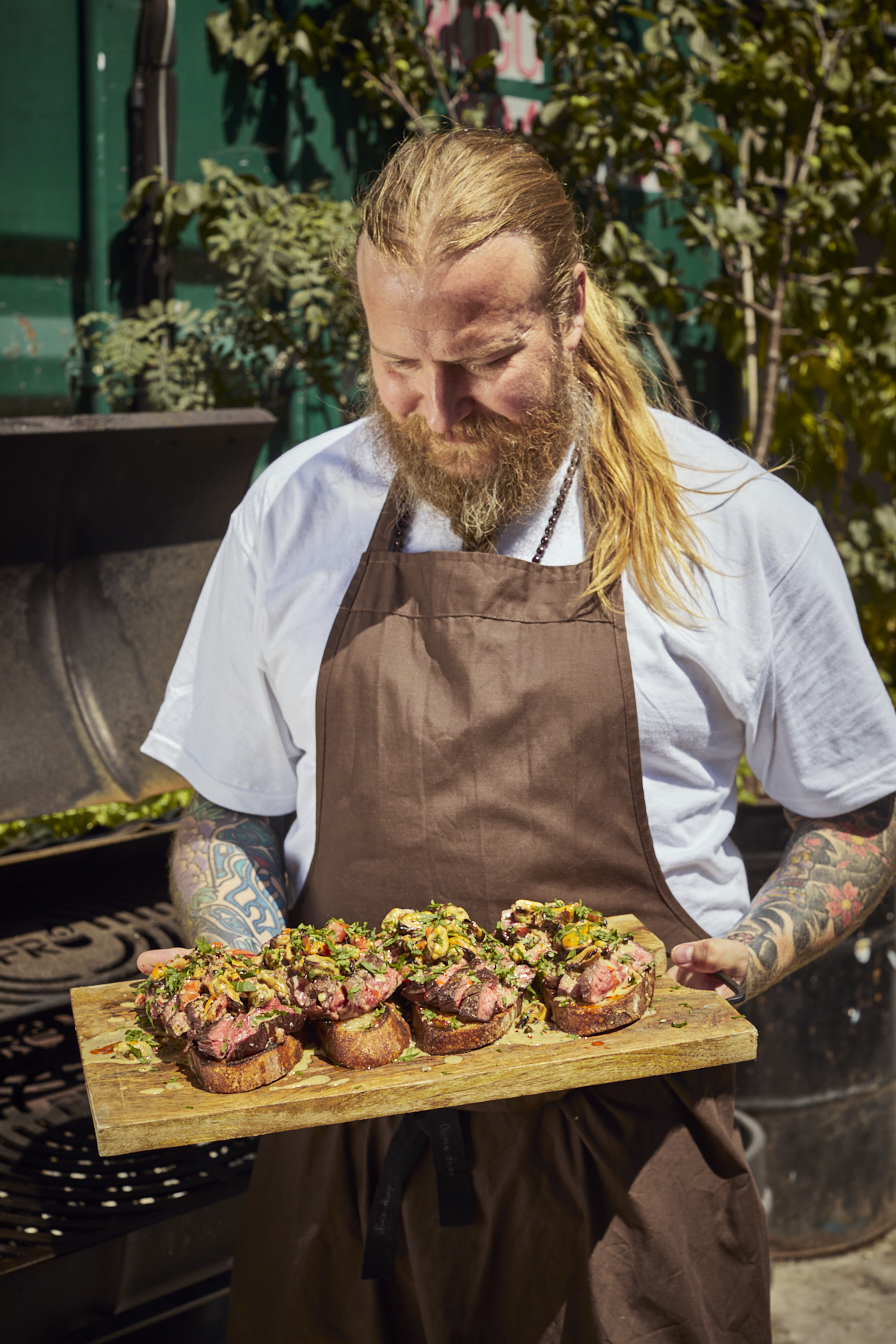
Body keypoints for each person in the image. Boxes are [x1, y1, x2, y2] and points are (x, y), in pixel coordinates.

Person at [138, 130, 896, 1344]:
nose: (432, 411)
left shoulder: (734, 524)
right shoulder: (294, 509)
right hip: (349, 1183)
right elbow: (225, 815)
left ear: (572, 307)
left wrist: (752, 951)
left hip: (628, 1194)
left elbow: (853, 816)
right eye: (396, 364)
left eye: (484, 361)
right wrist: (253, 974)